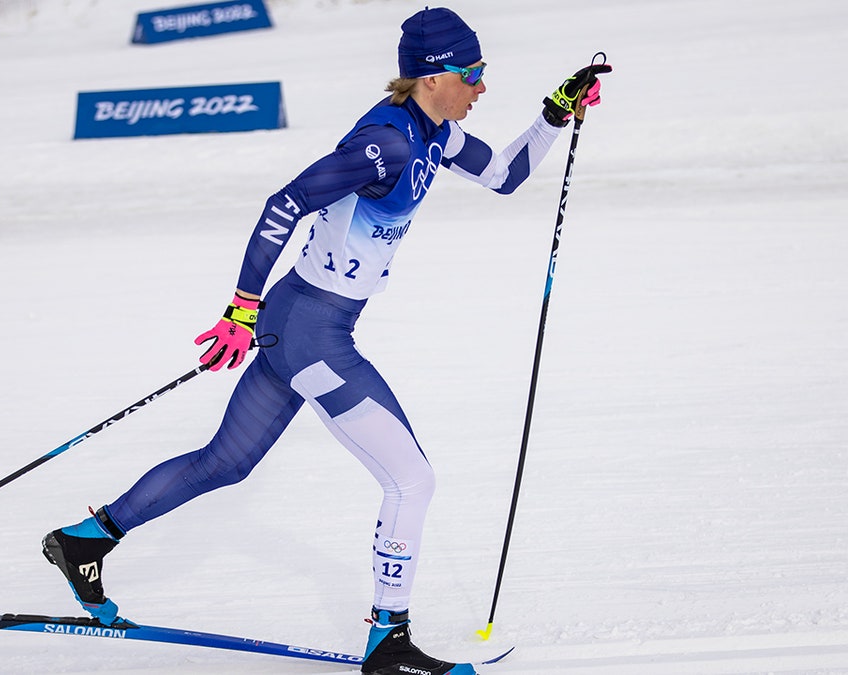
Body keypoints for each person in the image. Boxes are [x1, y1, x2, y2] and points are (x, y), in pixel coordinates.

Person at [42, 7, 611, 675]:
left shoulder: (438, 133)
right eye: (473, 73)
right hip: (309, 329)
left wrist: (554, 111)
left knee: (225, 463)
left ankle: (87, 538)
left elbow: (507, 176)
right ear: (433, 79)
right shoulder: (388, 143)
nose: (482, 87)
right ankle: (388, 638)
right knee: (412, 478)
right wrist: (240, 308)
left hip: (305, 322)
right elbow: (286, 201)